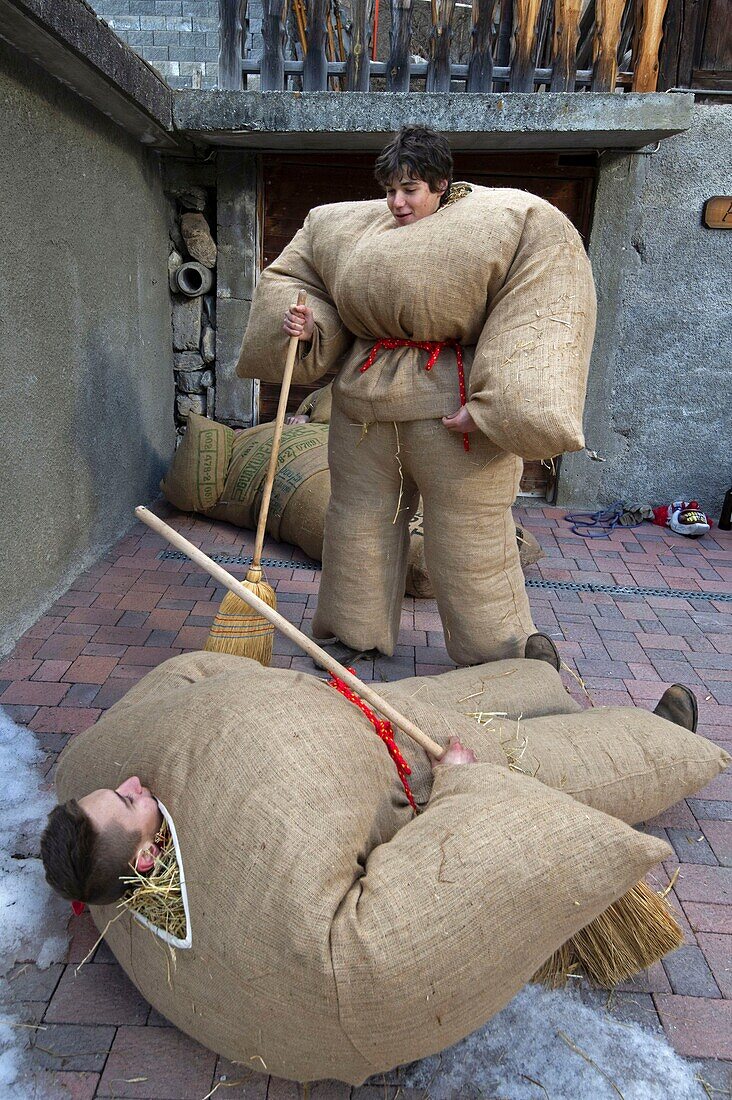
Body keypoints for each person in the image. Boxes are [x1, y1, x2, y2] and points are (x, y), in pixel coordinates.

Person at [236, 126, 597, 666]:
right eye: (390, 190)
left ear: (442, 185)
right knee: (356, 523)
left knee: (470, 538)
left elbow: (537, 307)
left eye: (412, 189)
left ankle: (499, 655)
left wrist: (496, 407)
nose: (398, 202)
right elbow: (305, 283)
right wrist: (307, 325)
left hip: (451, 415)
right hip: (362, 412)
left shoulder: (507, 220)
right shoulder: (341, 227)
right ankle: (350, 633)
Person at [40, 632, 698, 907]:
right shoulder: (230, 867)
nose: (132, 781)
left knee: (472, 693)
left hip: (354, 715)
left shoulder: (123, 810)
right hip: (404, 774)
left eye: (116, 787)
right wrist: (464, 786)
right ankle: (660, 739)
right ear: (149, 860)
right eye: (127, 803)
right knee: (542, 759)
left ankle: (537, 678)